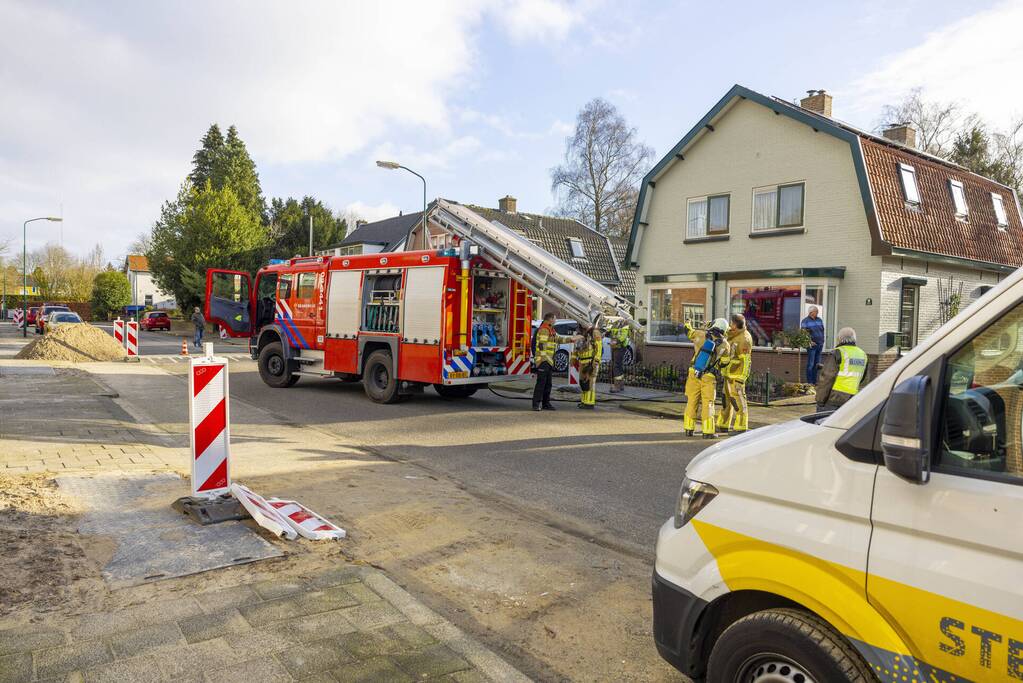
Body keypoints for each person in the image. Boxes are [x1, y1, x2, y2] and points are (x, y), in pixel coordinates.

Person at [683, 318, 730, 439]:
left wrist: (687, 322)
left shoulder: (700, 334)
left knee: (692, 400)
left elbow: (688, 331)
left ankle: (688, 428)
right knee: (708, 403)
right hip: (709, 376)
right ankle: (708, 431)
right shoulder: (725, 344)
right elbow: (725, 363)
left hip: (694, 372)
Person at [532, 313, 578, 411]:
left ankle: (546, 403)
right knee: (541, 384)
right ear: (550, 319)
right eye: (554, 319)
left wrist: (571, 339)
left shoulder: (551, 329)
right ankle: (536, 404)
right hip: (544, 361)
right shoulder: (544, 330)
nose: (555, 321)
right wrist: (542, 361)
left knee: (548, 384)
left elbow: (559, 339)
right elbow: (541, 345)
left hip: (548, 361)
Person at [816, 327, 868, 411]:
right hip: (852, 397)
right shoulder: (863, 354)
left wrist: (820, 400)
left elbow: (827, 379)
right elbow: (863, 378)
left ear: (839, 338)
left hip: (835, 397)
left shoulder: (837, 353)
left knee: (825, 418)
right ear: (854, 338)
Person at [718, 313, 754, 433]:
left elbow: (746, 361)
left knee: (738, 402)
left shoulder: (745, 339)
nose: (730, 325)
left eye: (731, 323)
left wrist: (742, 378)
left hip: (736, 377)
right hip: (728, 375)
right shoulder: (732, 334)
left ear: (734, 324)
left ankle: (741, 426)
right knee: (725, 401)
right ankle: (723, 424)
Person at [576, 323, 603, 409]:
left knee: (590, 382)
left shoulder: (594, 332)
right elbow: (577, 347)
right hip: (582, 360)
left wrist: (596, 360)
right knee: (583, 382)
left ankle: (589, 402)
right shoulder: (580, 332)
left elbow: (599, 347)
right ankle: (584, 401)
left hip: (590, 361)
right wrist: (573, 357)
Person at [800, 305, 826, 384]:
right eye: (816, 311)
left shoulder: (819, 320)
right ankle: (810, 382)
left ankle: (815, 381)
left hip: (820, 345)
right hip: (812, 346)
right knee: (810, 364)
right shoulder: (805, 321)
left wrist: (822, 340)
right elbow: (803, 333)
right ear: (811, 312)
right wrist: (809, 342)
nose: (817, 313)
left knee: (817, 364)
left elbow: (822, 330)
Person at [607, 322, 631, 393]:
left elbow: (623, 336)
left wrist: (616, 341)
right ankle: (621, 385)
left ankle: (617, 386)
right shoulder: (615, 323)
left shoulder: (624, 324)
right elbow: (610, 332)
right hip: (614, 347)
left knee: (616, 366)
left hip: (620, 347)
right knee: (618, 365)